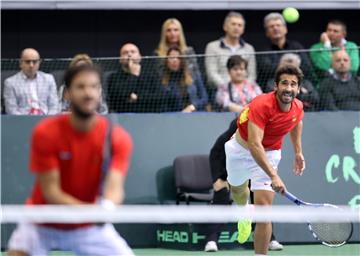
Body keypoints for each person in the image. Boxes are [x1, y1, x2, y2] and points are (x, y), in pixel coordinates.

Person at [7, 65, 134, 256]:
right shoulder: (46, 132)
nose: (88, 93)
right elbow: (51, 191)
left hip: (89, 227)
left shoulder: (117, 138)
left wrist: (106, 208)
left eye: (94, 87)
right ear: (68, 93)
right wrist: (91, 212)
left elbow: (115, 188)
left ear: (100, 92)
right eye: (80, 87)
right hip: (43, 221)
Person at [225, 65, 305, 255]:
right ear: (276, 85)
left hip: (269, 153)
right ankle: (243, 212)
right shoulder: (262, 104)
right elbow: (254, 144)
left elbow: (296, 122)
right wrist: (274, 176)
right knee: (238, 191)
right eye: (284, 83)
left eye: (293, 84)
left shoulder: (298, 106)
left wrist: (298, 152)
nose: (289, 88)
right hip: (240, 150)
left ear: (298, 89)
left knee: (264, 212)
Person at [204, 118, 283, 252]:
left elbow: (267, 157)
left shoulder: (264, 134)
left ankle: (270, 239)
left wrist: (271, 175)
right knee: (221, 195)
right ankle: (211, 240)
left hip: (255, 171)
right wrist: (217, 179)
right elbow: (215, 154)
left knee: (263, 202)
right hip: (230, 172)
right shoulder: (230, 135)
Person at [205, 11, 256, 103]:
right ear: (225, 27)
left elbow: (252, 75)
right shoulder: (212, 47)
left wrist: (243, 90)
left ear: (243, 29)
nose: (236, 27)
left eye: (240, 25)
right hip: (219, 91)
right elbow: (212, 74)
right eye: (233, 24)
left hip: (245, 93)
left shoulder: (249, 48)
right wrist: (229, 89)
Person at [257, 13, 315, 89]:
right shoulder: (264, 52)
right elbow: (265, 72)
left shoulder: (296, 47)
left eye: (278, 25)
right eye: (271, 26)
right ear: (267, 33)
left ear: (285, 29)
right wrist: (288, 65)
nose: (275, 28)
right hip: (274, 88)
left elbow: (307, 68)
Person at [107, 43, 162, 113]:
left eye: (133, 52)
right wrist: (134, 75)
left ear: (140, 57)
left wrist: (138, 98)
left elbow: (159, 98)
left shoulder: (151, 76)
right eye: (125, 53)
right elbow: (118, 100)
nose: (129, 55)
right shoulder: (113, 78)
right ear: (120, 59)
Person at [3, 48, 59, 115]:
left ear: (39, 62)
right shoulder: (10, 83)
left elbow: (54, 105)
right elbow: (11, 110)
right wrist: (25, 121)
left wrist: (48, 121)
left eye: (34, 62)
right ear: (20, 63)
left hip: (45, 119)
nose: (31, 65)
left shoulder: (49, 79)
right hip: (22, 121)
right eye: (28, 62)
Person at [159, 46, 208, 112]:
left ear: (182, 61)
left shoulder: (194, 76)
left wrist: (193, 106)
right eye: (171, 58)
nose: (174, 60)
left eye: (178, 58)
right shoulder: (164, 82)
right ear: (167, 61)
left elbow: (204, 98)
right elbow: (164, 106)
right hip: (176, 117)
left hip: (197, 113)